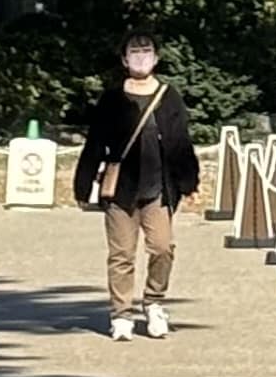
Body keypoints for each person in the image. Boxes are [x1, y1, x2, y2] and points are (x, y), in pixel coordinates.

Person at [72, 34, 199, 340]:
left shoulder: (169, 97)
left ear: (156, 59)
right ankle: (121, 314)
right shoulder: (112, 99)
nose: (141, 57)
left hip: (159, 189)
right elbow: (95, 143)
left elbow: (181, 142)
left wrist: (189, 181)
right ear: (124, 59)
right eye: (134, 52)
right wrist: (82, 185)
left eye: (147, 52)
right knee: (121, 255)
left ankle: (154, 302)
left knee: (162, 248)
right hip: (120, 190)